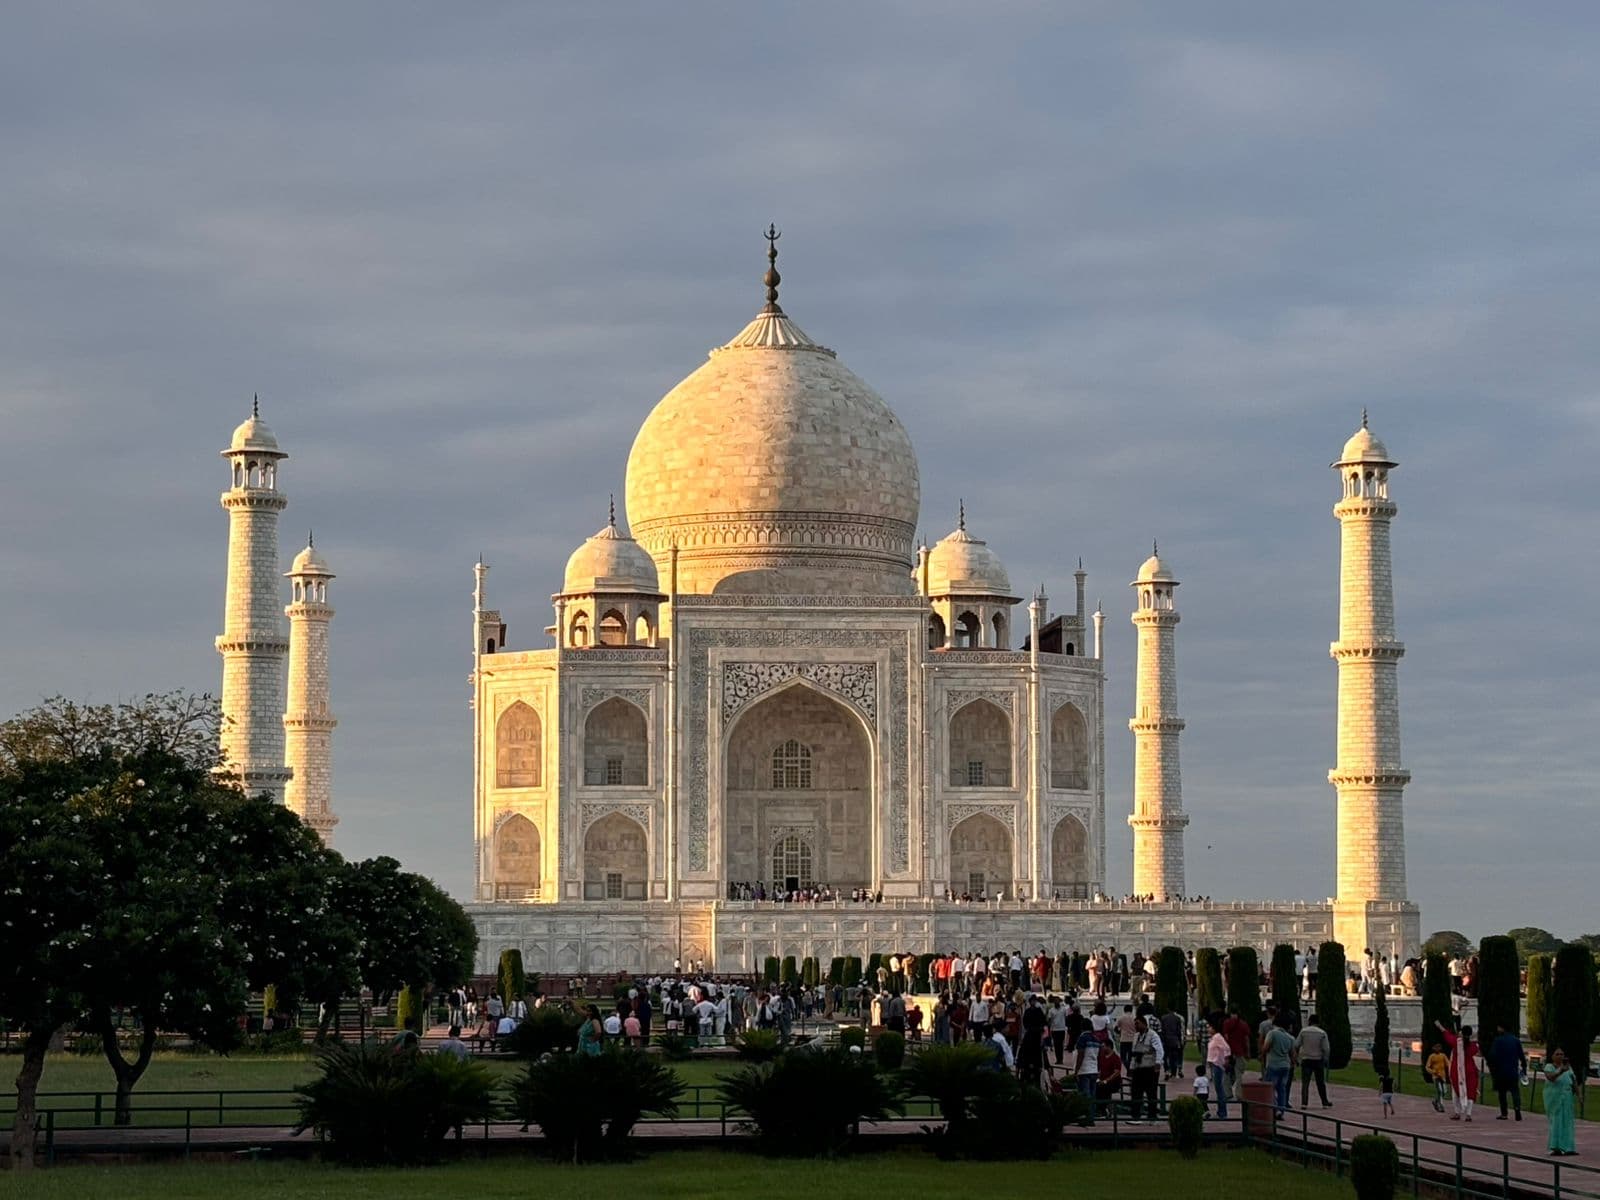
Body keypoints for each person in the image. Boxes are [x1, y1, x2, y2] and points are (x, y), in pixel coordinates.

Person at [1435, 1020, 1480, 1122]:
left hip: (1457, 1071)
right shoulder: (1473, 1046)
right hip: (1470, 1071)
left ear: (1462, 1033)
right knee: (1470, 1092)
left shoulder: (1456, 1042)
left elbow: (1447, 1035)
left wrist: (1440, 1026)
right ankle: (1468, 1114)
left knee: (1456, 1092)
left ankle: (1457, 1112)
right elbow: (1476, 1049)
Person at [1485, 1023, 1527, 1121]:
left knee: (1502, 1093)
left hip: (1501, 1071)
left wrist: (1492, 1066)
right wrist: (1524, 1067)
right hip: (1513, 1070)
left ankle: (1504, 1113)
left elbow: (1492, 1055)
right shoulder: (1516, 1040)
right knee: (1515, 1091)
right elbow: (1521, 1056)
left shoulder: (1498, 1040)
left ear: (1502, 1028)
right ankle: (1517, 1109)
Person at [1127, 1016, 1163, 1123]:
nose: (1136, 1026)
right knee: (1135, 1092)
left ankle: (1152, 1116)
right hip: (1138, 1068)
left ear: (1144, 1023)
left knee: (1151, 1093)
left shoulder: (1153, 1035)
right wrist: (1131, 1067)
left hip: (1150, 1068)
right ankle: (1135, 1116)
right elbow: (1134, 1053)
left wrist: (1158, 1063)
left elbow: (1159, 1050)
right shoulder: (1136, 1036)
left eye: (1137, 1023)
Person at [1544, 1048, 1579, 1156]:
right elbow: (1551, 1078)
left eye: (1562, 1054)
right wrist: (1561, 1071)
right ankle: (1556, 1147)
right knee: (1556, 1121)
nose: (1560, 1056)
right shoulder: (1549, 1067)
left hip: (1567, 1097)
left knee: (1568, 1121)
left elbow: (1574, 1081)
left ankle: (1569, 1147)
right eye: (1557, 1054)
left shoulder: (1568, 1067)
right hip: (1554, 1098)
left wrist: (1579, 1095)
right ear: (1553, 1056)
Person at [1259, 1012, 1295, 1113]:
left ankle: (1273, 1108)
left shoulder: (1272, 1033)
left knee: (1270, 1088)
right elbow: (1292, 1053)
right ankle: (1281, 1110)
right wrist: (1293, 1063)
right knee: (1282, 1089)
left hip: (1273, 1064)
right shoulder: (1290, 1037)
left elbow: (1266, 1047)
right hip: (1285, 1065)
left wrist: (1262, 1054)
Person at [1295, 1013, 1332, 1108]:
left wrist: (1297, 1057)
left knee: (1305, 1083)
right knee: (1320, 1082)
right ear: (1318, 1022)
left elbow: (1296, 1044)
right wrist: (1325, 1058)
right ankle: (1324, 1102)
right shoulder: (1322, 1033)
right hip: (1318, 1059)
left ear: (1309, 1021)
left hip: (1306, 1059)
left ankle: (1304, 1103)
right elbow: (1326, 1048)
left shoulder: (1303, 1031)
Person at [1073, 1019, 1103, 1125]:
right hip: (1094, 1070)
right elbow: (1100, 1056)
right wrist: (1098, 1069)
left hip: (1084, 1070)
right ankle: (1091, 1117)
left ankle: (1087, 1118)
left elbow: (1080, 1055)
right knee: (1092, 1095)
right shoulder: (1096, 1039)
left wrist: (1076, 1070)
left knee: (1085, 1095)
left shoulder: (1082, 1038)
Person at [1206, 1020, 1232, 1120]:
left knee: (1219, 1088)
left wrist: (1226, 1059)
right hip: (1214, 1064)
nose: (1208, 1029)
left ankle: (1222, 1112)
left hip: (1218, 1065)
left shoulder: (1218, 1037)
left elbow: (1226, 1048)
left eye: (1210, 1027)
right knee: (1218, 1088)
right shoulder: (1213, 1038)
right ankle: (1221, 1111)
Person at [1425, 1043, 1451, 1113]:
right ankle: (1441, 1106)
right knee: (1440, 1091)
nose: (1437, 1049)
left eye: (1439, 1048)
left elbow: (1448, 1064)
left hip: (1442, 1076)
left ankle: (1435, 1101)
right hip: (1436, 1077)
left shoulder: (1443, 1056)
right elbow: (1427, 1067)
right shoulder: (1431, 1056)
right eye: (1436, 1048)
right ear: (1434, 1049)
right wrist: (1433, 1071)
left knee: (1444, 1091)